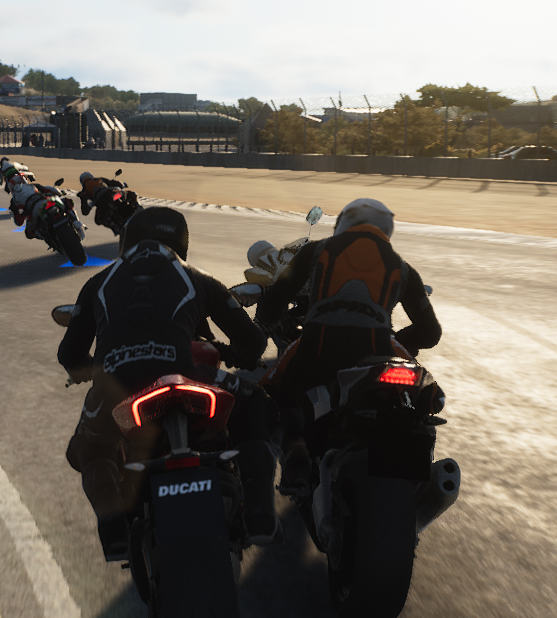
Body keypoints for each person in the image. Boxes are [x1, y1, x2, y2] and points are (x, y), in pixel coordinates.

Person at [57, 207, 278, 560]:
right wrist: (236, 353)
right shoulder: (197, 277)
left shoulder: (98, 283)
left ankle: (112, 527)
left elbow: (69, 354)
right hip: (186, 378)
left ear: (127, 239)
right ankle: (260, 512)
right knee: (255, 403)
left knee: (89, 448)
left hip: (118, 391)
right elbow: (254, 343)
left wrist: (93, 370)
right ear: (181, 241)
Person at [257, 198, 441, 483]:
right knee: (427, 393)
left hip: (316, 348)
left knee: (269, 391)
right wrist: (397, 340)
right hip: (378, 352)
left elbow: (272, 303)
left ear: (344, 223)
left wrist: (266, 323)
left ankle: (295, 446)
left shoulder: (314, 251)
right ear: (387, 229)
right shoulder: (403, 269)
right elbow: (431, 333)